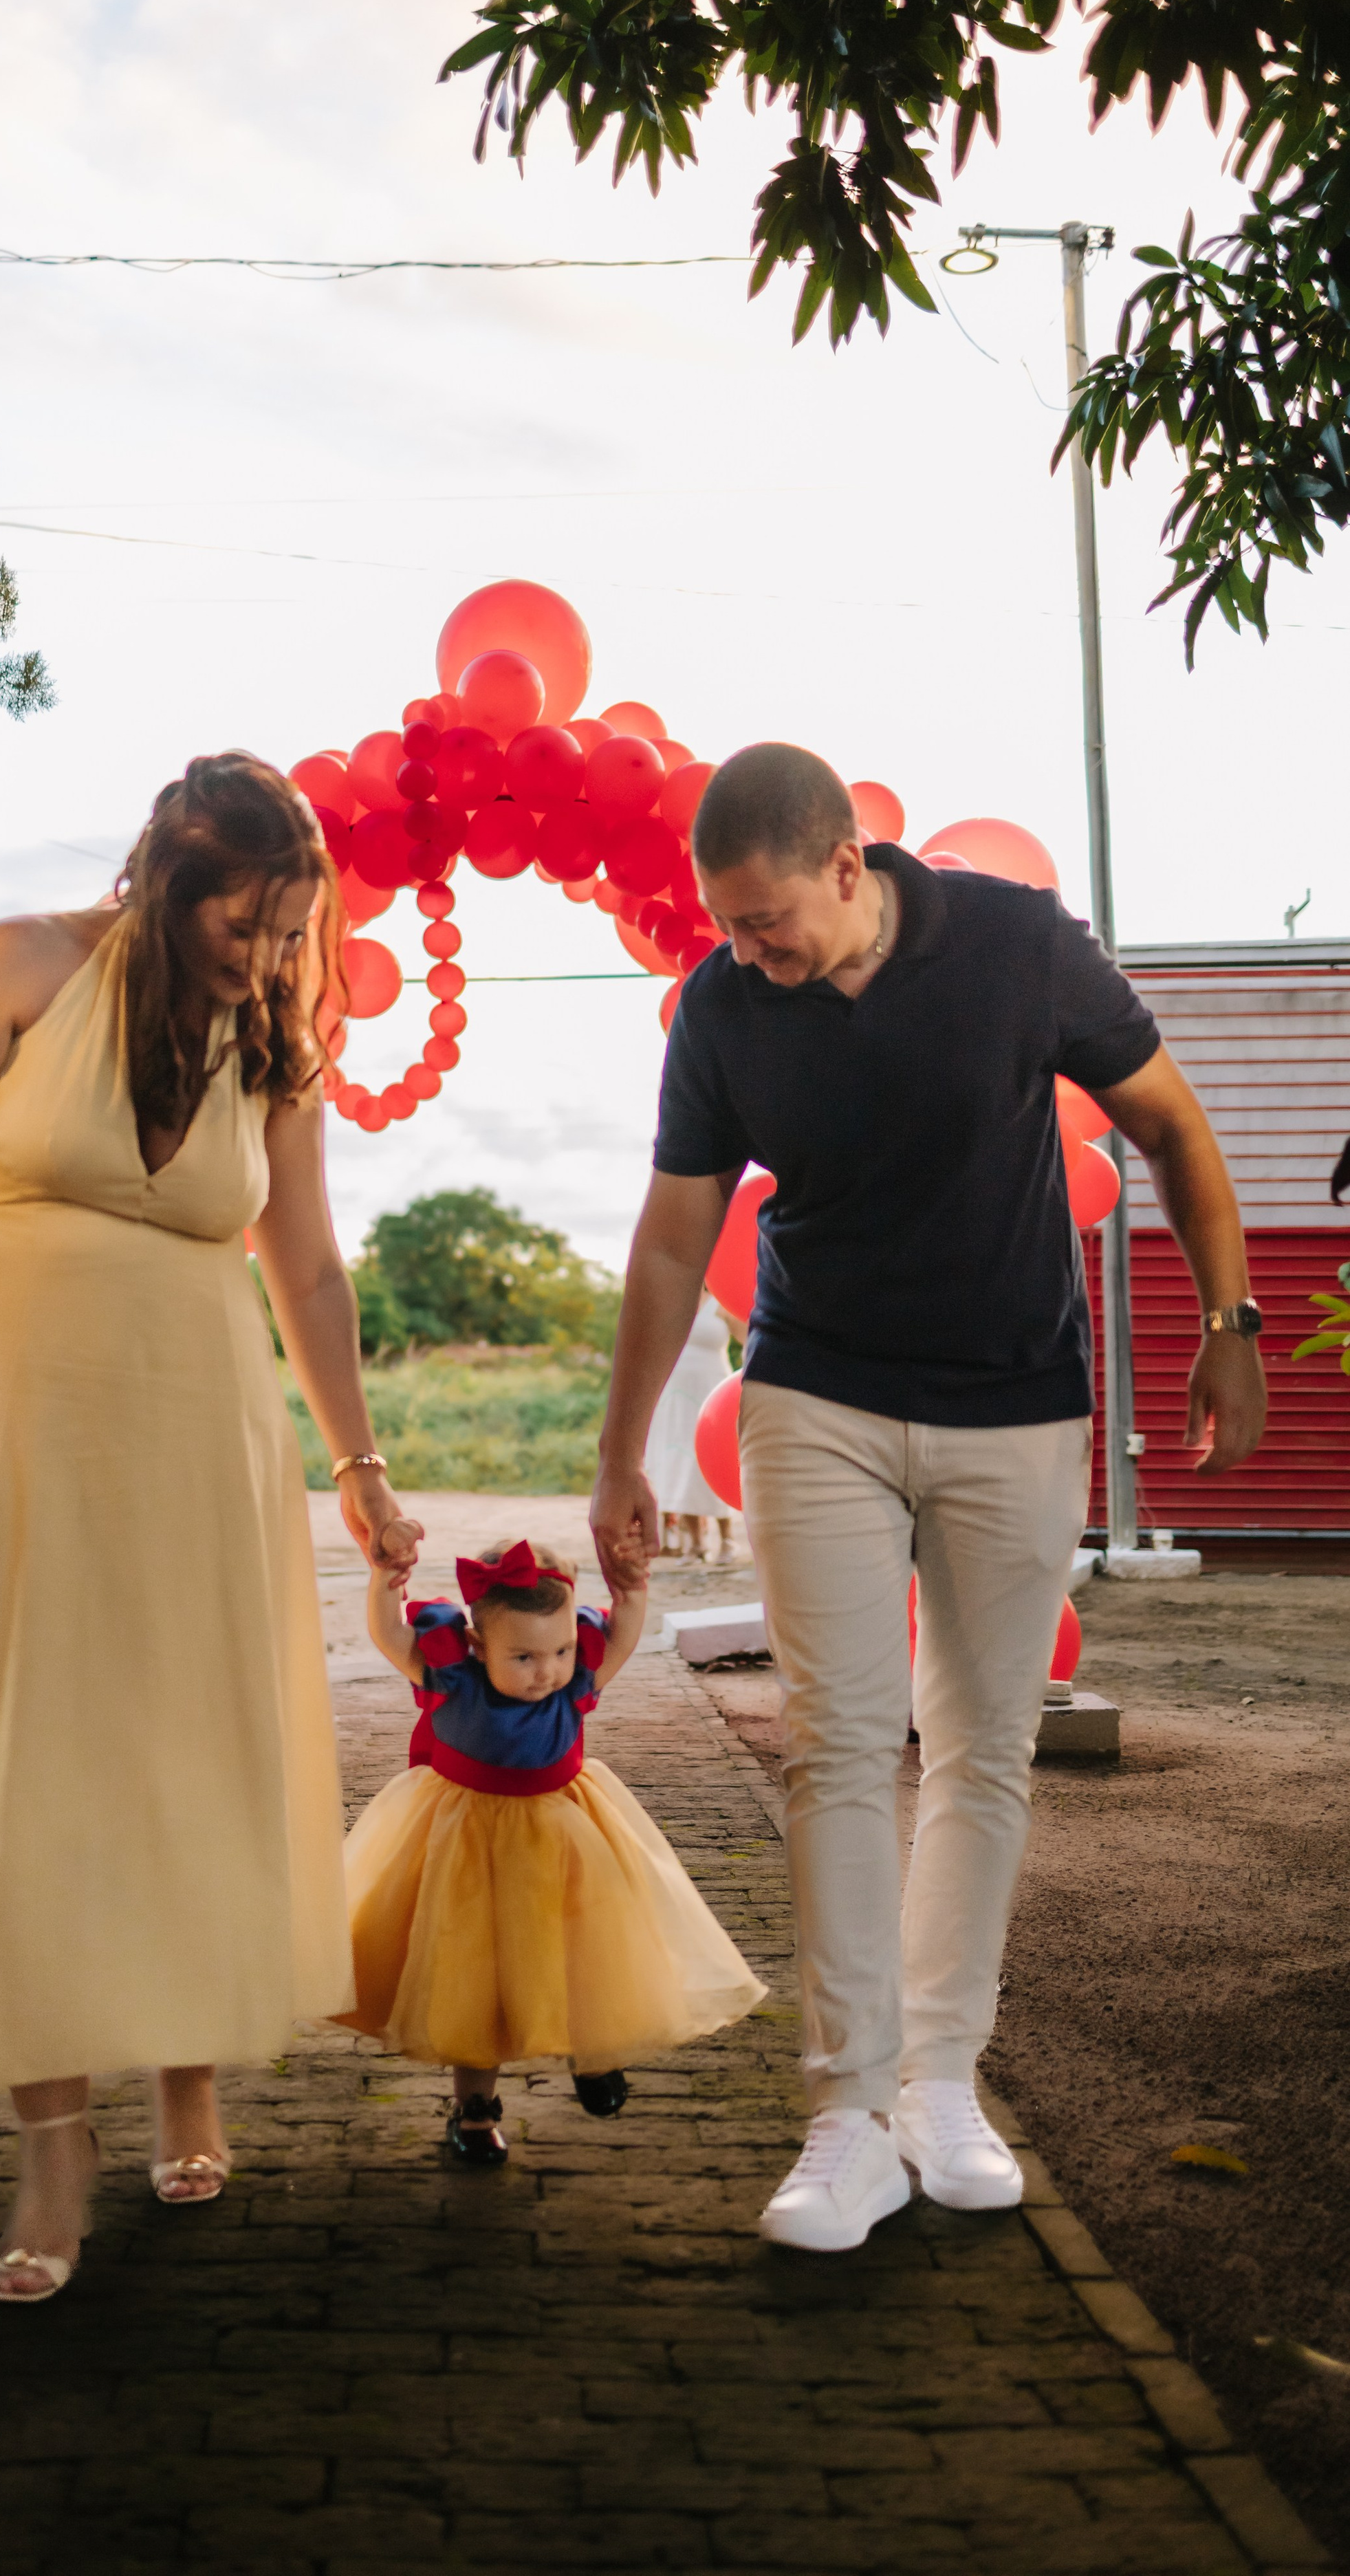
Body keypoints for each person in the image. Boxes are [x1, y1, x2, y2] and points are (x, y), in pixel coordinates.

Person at [591, 743, 1265, 2253]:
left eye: (765, 921)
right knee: (832, 1746)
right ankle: (845, 2116)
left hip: (1013, 1403)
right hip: (814, 1395)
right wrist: (619, 1446)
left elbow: (1167, 1124)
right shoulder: (719, 1008)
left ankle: (941, 2088)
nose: (743, 950)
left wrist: (1228, 1331)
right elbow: (663, 1241)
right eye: (723, 925)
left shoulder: (1018, 945)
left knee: (979, 1748)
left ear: (847, 865)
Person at [0, 753, 420, 2304]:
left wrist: (357, 1467)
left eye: (288, 930)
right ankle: (49, 2138)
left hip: (198, 1426)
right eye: (244, 922)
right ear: (164, 881)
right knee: (44, 1750)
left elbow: (307, 1272)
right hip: (28, 1413)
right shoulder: (21, 967)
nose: (266, 954)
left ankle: (189, 2078)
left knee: (190, 1744)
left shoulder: (272, 1037)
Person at [334, 1536, 765, 2162]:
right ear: (479, 1647)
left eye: (562, 1650)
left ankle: (595, 2051)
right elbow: (391, 1638)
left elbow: (618, 1639)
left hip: (567, 1837)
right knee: (470, 1978)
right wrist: (384, 1584)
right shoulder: (452, 1678)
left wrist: (632, 1589)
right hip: (465, 1847)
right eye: (526, 1657)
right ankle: (475, 2109)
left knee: (584, 1950)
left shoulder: (572, 1682)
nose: (549, 1671)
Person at [643, 1286, 739, 1562]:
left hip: (712, 1389)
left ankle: (727, 1539)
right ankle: (696, 1543)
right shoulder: (674, 1299)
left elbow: (748, 1337)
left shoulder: (721, 1302)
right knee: (680, 1459)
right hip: (675, 1392)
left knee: (715, 1457)